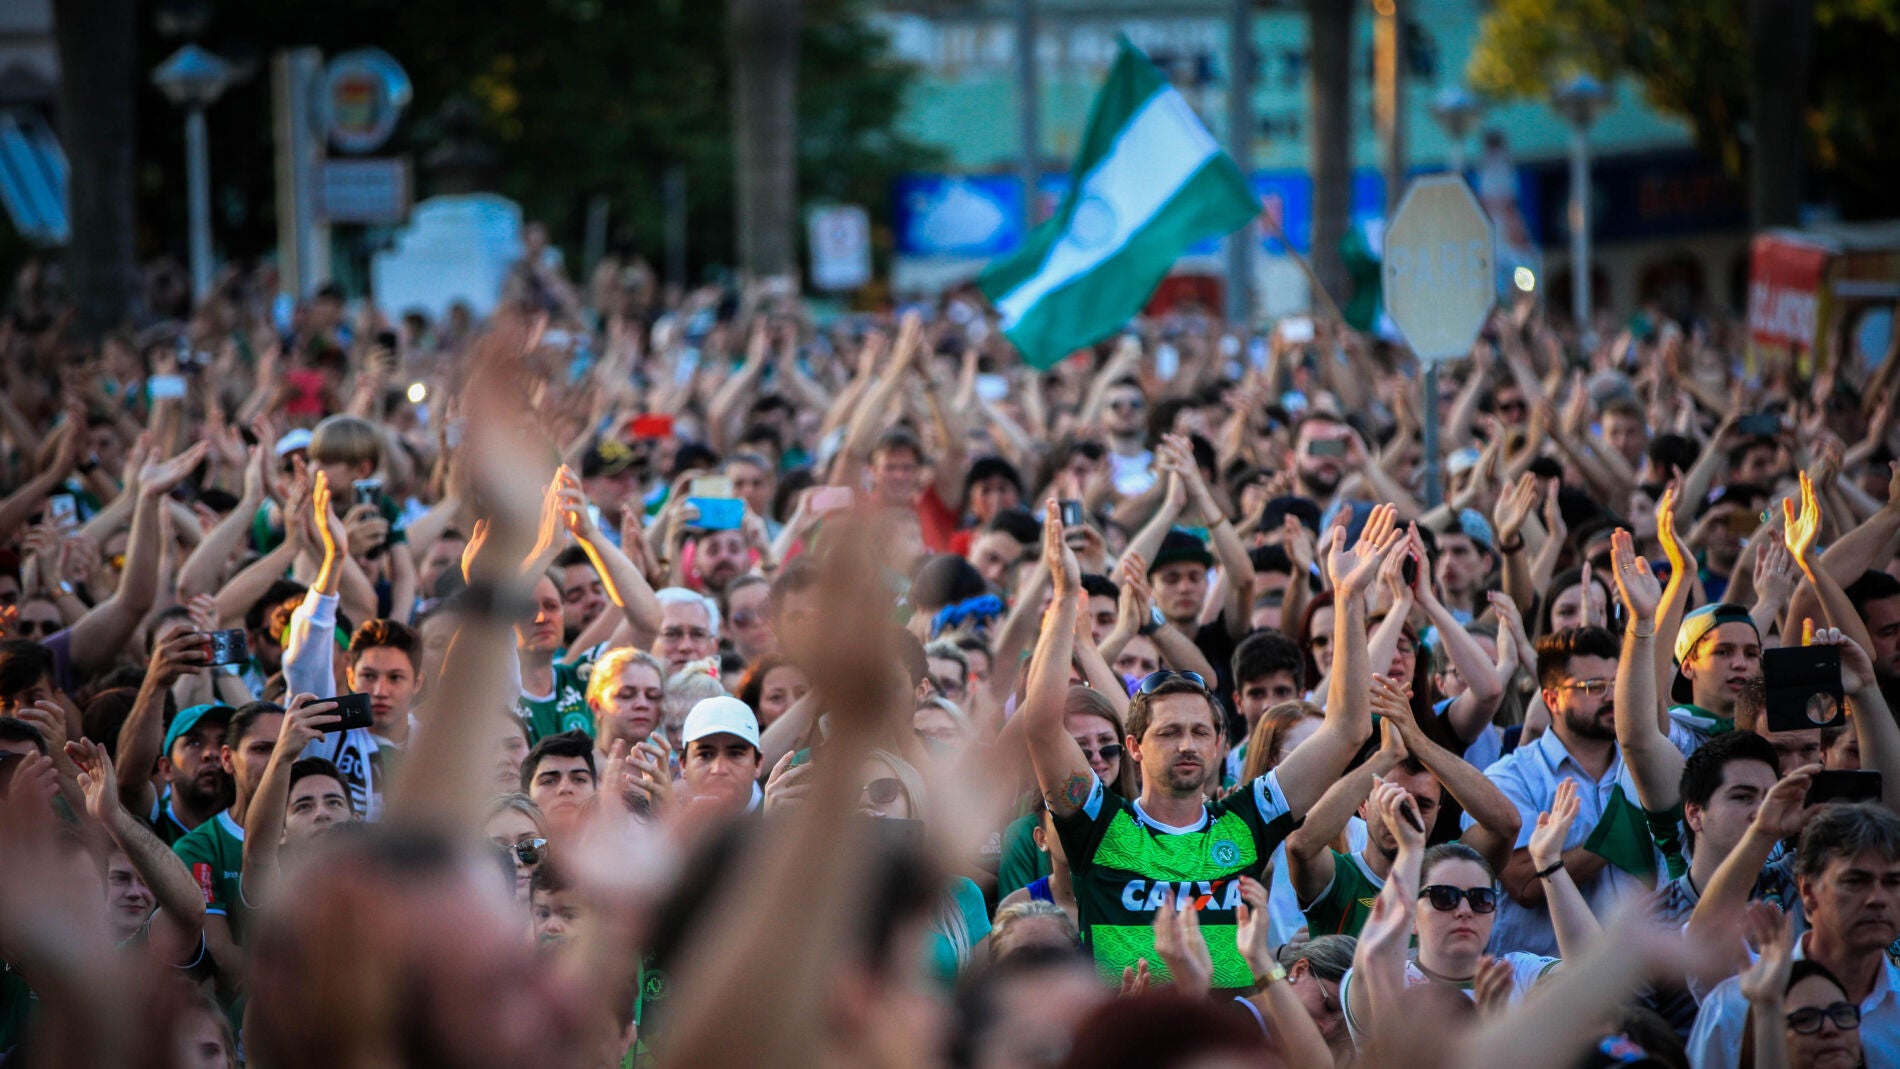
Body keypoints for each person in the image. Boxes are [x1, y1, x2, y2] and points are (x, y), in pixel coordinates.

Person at [1024, 498, 1397, 988]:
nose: (1187, 744)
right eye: (1169, 732)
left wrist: (1346, 598)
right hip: (1126, 1026)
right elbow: (1042, 725)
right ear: (1133, 747)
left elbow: (1347, 730)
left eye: (1200, 732)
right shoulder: (1100, 824)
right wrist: (1064, 600)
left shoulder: (1248, 818)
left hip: (1231, 1029)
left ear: (1222, 743)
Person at [1689, 803, 1900, 1067]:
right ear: (1808, 891)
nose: (1877, 898)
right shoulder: (1734, 1009)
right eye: (1855, 881)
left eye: (1893, 882)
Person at [171, 700, 285, 988]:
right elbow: (221, 954)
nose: (276, 761)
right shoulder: (199, 847)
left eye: (284, 749)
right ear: (227, 759)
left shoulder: (311, 833)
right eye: (261, 749)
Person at [678, 695, 762, 815]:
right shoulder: (659, 821)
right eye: (705, 755)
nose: (719, 769)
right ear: (683, 765)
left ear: (758, 764)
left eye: (735, 754)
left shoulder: (783, 822)